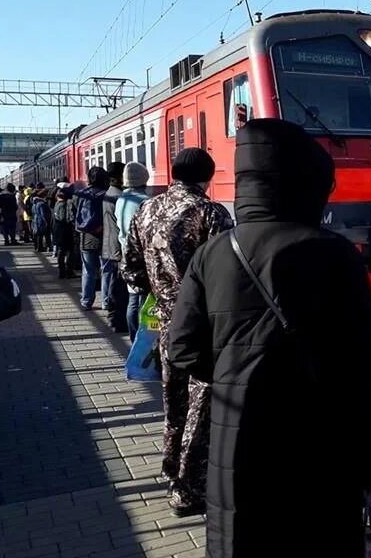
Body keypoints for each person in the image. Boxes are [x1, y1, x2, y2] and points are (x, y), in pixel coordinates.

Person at [168, 119, 371, 556]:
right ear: (306, 185)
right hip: (322, 440)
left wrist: (235, 372)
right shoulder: (335, 253)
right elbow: (363, 370)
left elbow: (182, 349)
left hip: (237, 436)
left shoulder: (213, 253)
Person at [121, 147, 234, 517]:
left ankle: (171, 469)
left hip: (167, 324)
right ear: (207, 176)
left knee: (174, 403)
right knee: (200, 406)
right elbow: (227, 275)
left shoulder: (145, 209)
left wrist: (159, 291)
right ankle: (187, 490)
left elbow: (131, 270)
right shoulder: (211, 213)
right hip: (205, 325)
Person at [115, 162, 150, 341]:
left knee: (133, 298)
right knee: (142, 300)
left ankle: (133, 336)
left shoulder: (122, 199)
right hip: (142, 256)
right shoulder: (144, 201)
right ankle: (141, 337)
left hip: (125, 252)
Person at [72, 166, 109, 311]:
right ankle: (106, 302)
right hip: (104, 236)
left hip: (86, 237)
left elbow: (73, 215)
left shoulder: (79, 194)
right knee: (106, 270)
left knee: (88, 271)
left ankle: (86, 301)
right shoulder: (106, 195)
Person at [101, 162, 128, 333]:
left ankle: (112, 314)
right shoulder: (119, 196)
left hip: (109, 245)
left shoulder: (108, 193)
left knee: (112, 281)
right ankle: (117, 319)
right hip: (117, 247)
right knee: (118, 285)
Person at [52, 183, 75, 279]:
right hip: (66, 231)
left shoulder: (56, 205)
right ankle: (69, 271)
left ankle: (61, 272)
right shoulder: (65, 204)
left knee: (61, 252)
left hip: (57, 231)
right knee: (69, 251)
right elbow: (66, 218)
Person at [31, 188, 52, 253]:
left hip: (36, 220)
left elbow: (33, 212)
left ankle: (37, 247)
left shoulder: (34, 203)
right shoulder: (42, 204)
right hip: (41, 221)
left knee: (38, 235)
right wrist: (47, 222)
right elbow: (44, 214)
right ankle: (45, 247)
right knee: (45, 234)